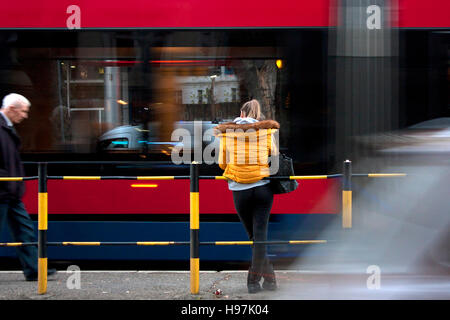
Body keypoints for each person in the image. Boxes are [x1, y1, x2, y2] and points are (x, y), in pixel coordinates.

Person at [215, 99, 279, 293]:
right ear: (258, 116)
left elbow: (222, 164)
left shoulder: (227, 134)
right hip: (263, 189)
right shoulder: (266, 133)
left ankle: (253, 282)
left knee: (253, 236)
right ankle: (269, 280)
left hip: (240, 190)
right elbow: (274, 159)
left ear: (241, 114)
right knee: (259, 237)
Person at [0, 93, 56, 281]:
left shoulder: (6, 127)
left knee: (26, 230)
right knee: (23, 230)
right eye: (23, 112)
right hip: (3, 191)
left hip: (11, 192)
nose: (25, 116)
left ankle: (34, 269)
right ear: (12, 109)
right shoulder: (2, 127)